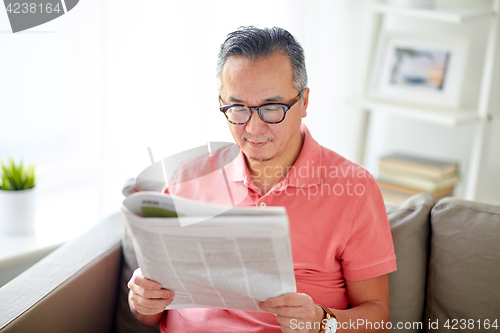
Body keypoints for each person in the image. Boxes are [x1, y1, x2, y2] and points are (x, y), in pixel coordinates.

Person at [127, 26, 396, 333]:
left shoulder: (354, 189)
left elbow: (377, 318)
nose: (253, 128)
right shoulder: (186, 177)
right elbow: (149, 315)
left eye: (271, 108)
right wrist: (143, 303)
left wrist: (322, 322)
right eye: (238, 109)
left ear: (304, 102)